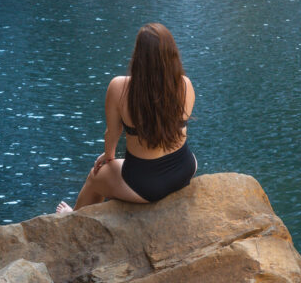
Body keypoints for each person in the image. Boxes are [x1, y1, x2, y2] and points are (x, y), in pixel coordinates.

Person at [56, 22, 197, 213]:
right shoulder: (185, 84)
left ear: (138, 55)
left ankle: (72, 220)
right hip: (184, 170)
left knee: (95, 177)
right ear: (171, 54)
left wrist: (109, 157)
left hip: (146, 186)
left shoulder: (119, 88)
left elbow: (112, 134)